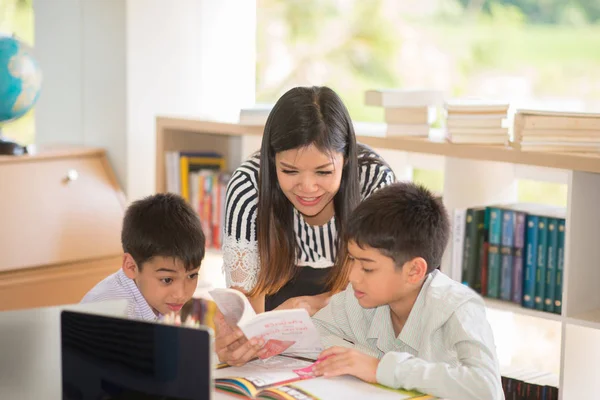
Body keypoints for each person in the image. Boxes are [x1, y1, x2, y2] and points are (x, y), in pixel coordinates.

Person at [216, 86, 395, 364]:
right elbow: (248, 310)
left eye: (323, 171)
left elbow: (381, 289)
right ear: (271, 159)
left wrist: (310, 305)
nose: (308, 188)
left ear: (347, 158)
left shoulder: (374, 180)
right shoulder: (247, 187)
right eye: (289, 171)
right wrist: (237, 343)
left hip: (358, 328)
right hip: (278, 338)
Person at [310, 182, 504, 400]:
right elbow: (313, 335)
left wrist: (381, 368)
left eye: (367, 267)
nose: (352, 276)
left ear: (414, 271)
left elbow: (486, 388)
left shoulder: (457, 307)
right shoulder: (359, 298)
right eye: (351, 260)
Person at [81, 193, 206, 321]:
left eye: (192, 275)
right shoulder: (110, 314)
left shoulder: (154, 300)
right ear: (131, 267)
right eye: (167, 280)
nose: (180, 294)